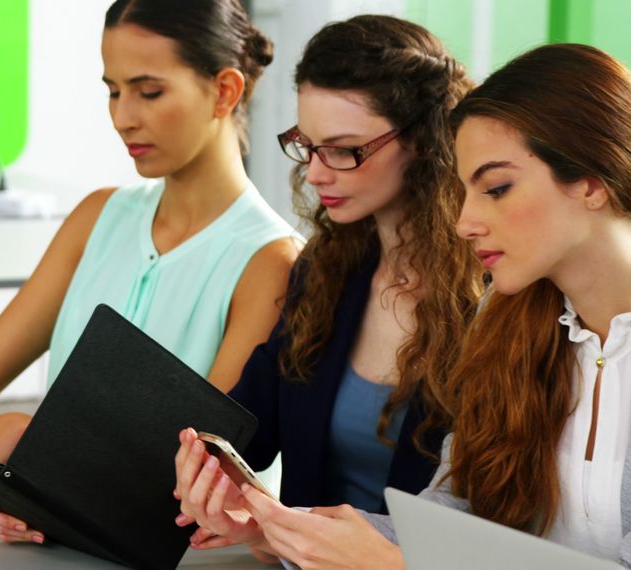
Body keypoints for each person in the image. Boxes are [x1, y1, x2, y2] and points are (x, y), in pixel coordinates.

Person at [220, 43, 631, 569]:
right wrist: (282, 528)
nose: (463, 222)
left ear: (591, 178)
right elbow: (447, 518)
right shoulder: (506, 318)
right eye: (464, 190)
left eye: (496, 188)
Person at [0, 0, 299, 516]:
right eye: (113, 91)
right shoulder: (97, 217)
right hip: (63, 514)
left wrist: (23, 434)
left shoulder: (271, 260)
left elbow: (199, 465)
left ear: (224, 91)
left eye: (149, 91)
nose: (122, 117)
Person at [170, 14, 482, 558]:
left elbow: (486, 523)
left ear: (425, 144)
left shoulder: (494, 296)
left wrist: (276, 529)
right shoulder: (327, 270)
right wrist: (201, 466)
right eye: (307, 145)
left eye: (343, 149)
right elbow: (244, 426)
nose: (315, 173)